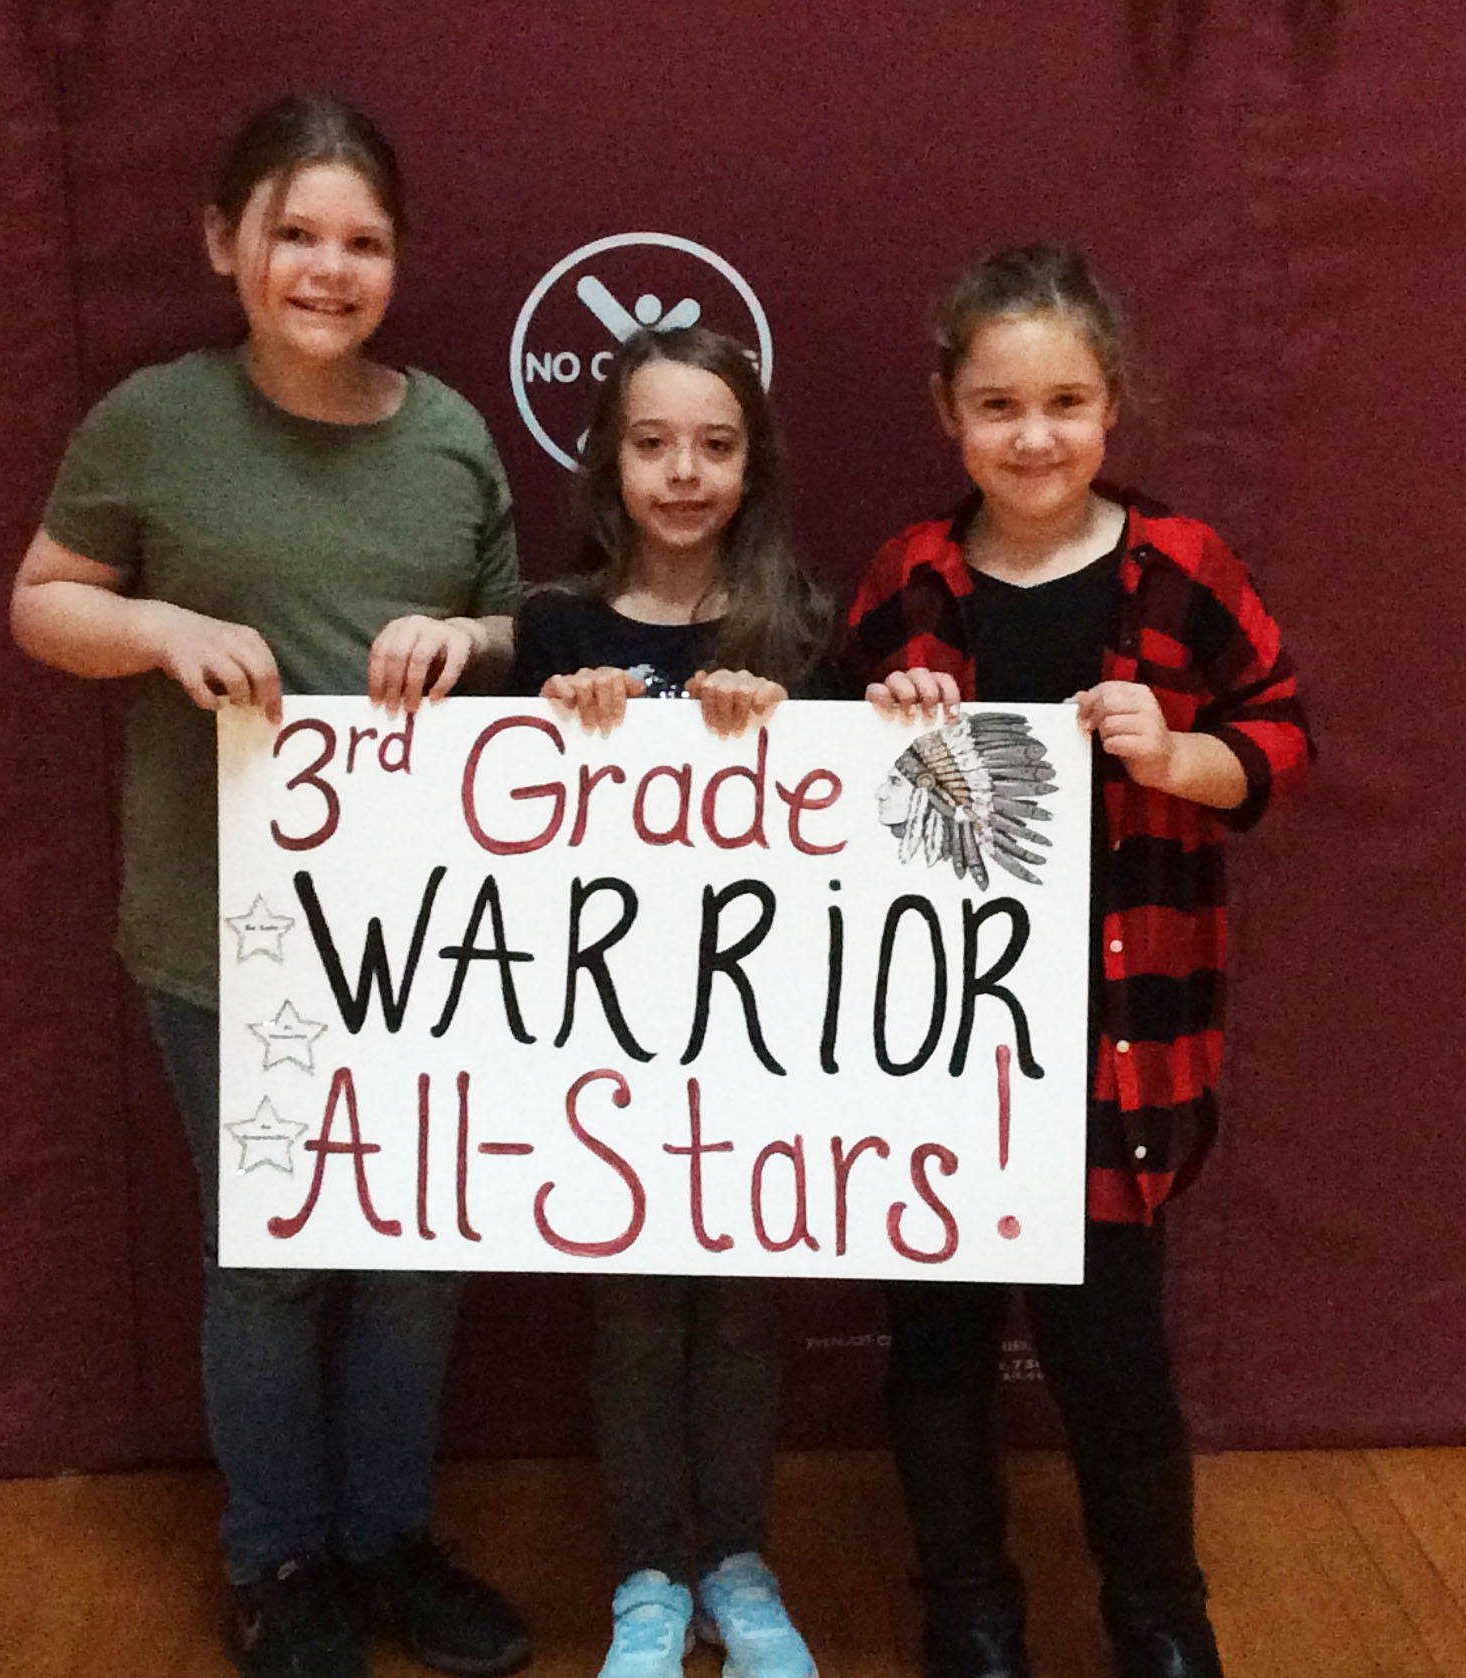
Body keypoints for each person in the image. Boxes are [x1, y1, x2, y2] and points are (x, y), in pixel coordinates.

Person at [9, 96, 529, 1678]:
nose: (326, 266)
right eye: (294, 232)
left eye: (361, 239)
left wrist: (475, 648)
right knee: (276, 1253)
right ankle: (279, 1557)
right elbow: (41, 603)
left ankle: (389, 1539)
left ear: (400, 263)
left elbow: (527, 642)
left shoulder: (449, 436)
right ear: (222, 243)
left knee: (419, 1253)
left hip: (430, 937)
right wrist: (160, 632)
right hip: (224, 933)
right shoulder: (152, 424)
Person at [849, 245, 1312, 1678]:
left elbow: (1282, 733)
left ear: (1113, 405)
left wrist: (1183, 754)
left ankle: (1158, 1614)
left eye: (1065, 400)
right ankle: (968, 1609)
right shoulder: (911, 575)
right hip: (939, 1062)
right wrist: (885, 718)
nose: (1032, 435)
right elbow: (813, 796)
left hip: (1120, 1050)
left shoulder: (1182, 565)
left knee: (1114, 1361)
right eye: (998, 404)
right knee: (933, 1355)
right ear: (948, 410)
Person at [509, 327, 838, 1678]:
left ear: (752, 462)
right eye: (653, 442)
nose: (684, 471)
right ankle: (646, 1571)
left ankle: (739, 1563)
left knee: (744, 1305)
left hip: (763, 1041)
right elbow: (509, 835)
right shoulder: (557, 627)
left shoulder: (806, 624)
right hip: (607, 1046)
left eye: (714, 443)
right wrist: (563, 711)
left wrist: (794, 722)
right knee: (636, 1307)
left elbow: (856, 825)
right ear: (608, 460)